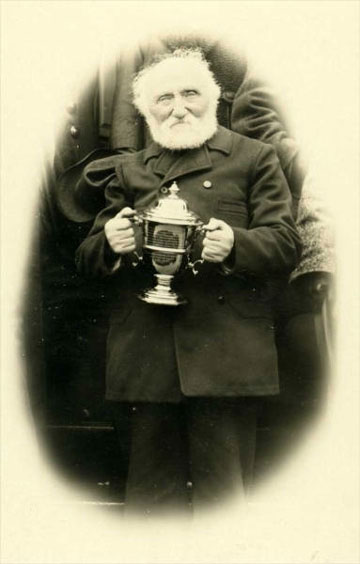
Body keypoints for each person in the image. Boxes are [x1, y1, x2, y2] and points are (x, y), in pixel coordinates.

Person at [68, 48, 302, 516]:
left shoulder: (255, 157)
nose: (178, 107)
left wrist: (236, 244)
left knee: (225, 509)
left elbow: (286, 244)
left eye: (190, 93)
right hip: (146, 360)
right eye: (163, 98)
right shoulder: (129, 169)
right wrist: (108, 242)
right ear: (146, 111)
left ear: (213, 99)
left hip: (226, 357)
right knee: (151, 510)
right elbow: (86, 259)